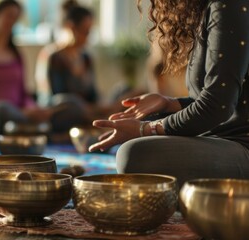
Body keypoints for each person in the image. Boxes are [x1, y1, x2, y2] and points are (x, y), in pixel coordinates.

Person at [89, 0, 249, 187]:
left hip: (242, 145)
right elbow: (224, 101)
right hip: (221, 138)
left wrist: (144, 129)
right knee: (146, 130)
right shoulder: (212, 8)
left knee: (134, 154)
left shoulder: (230, 4)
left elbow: (218, 107)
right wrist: (169, 103)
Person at [0, 0, 87, 141]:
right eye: (9, 16)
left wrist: (32, 109)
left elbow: (23, 93)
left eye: (16, 17)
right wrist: (21, 112)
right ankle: (44, 134)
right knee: (2, 109)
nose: (12, 21)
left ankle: (38, 133)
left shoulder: (16, 53)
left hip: (21, 116)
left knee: (71, 104)